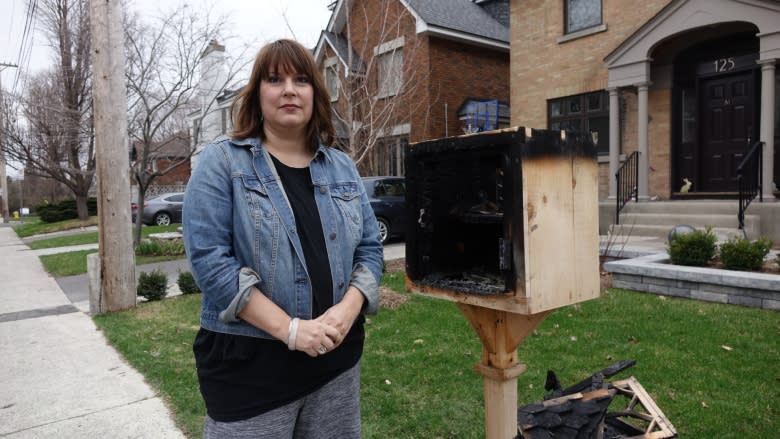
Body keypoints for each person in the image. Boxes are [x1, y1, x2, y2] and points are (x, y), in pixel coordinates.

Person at [182, 39, 383, 438]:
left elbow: (370, 249)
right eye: (275, 79)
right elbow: (210, 261)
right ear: (258, 94)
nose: (289, 89)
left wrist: (347, 311)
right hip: (251, 373)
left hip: (335, 364)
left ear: (315, 94)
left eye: (302, 79)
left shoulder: (341, 166)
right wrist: (291, 330)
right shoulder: (221, 161)